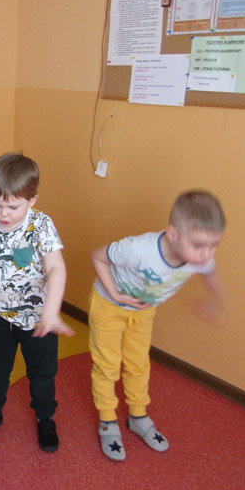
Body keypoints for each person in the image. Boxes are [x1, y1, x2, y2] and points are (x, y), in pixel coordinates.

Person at [88, 189, 226, 461]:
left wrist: (216, 301)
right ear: (173, 234)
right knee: (107, 364)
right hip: (108, 305)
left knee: (139, 363)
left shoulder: (200, 258)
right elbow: (97, 256)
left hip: (143, 311)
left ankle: (138, 416)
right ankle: (107, 419)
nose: (206, 254)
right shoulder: (140, 249)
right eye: (200, 246)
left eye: (214, 245)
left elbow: (210, 271)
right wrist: (115, 293)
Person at [0, 152, 74, 453]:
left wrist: (52, 312)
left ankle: (45, 418)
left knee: (42, 373)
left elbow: (56, 268)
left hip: (38, 319)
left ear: (32, 200)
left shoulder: (41, 225)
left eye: (12, 207)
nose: (3, 214)